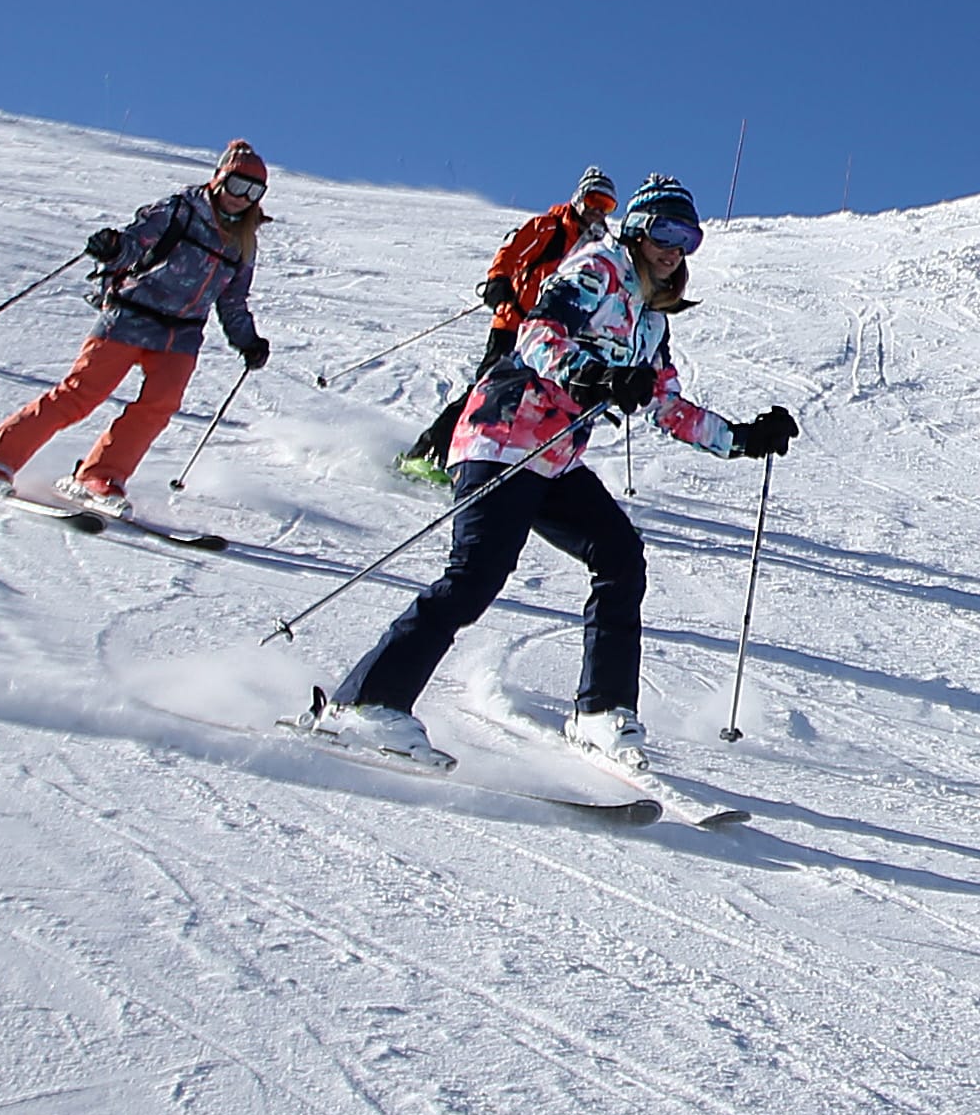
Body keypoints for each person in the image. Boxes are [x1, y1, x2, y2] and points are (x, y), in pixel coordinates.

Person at [307, 174, 798, 770]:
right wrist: (596, 375)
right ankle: (366, 703)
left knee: (620, 556)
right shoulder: (597, 269)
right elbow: (538, 335)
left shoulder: (651, 321)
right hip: (502, 435)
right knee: (477, 574)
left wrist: (744, 439)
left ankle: (601, 712)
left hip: (555, 457)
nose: (675, 249)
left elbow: (667, 406)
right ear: (637, 231)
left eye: (688, 238)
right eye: (665, 232)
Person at [0, 141, 275, 517]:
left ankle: (100, 476)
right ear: (219, 179)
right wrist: (112, 248)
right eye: (237, 185)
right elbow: (134, 244)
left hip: (181, 335)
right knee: (80, 394)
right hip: (131, 316)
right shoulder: (180, 210)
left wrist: (247, 340)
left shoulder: (243, 241)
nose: (242, 197)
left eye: (253, 191)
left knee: (159, 407)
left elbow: (232, 299)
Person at [399, 165, 618, 479]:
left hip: (551, 340)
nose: (598, 210)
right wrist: (498, 280)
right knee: (484, 394)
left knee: (531, 406)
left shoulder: (599, 248)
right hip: (515, 323)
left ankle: (504, 467)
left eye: (607, 205)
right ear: (579, 198)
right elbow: (511, 251)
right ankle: (427, 453)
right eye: (594, 200)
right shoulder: (549, 226)